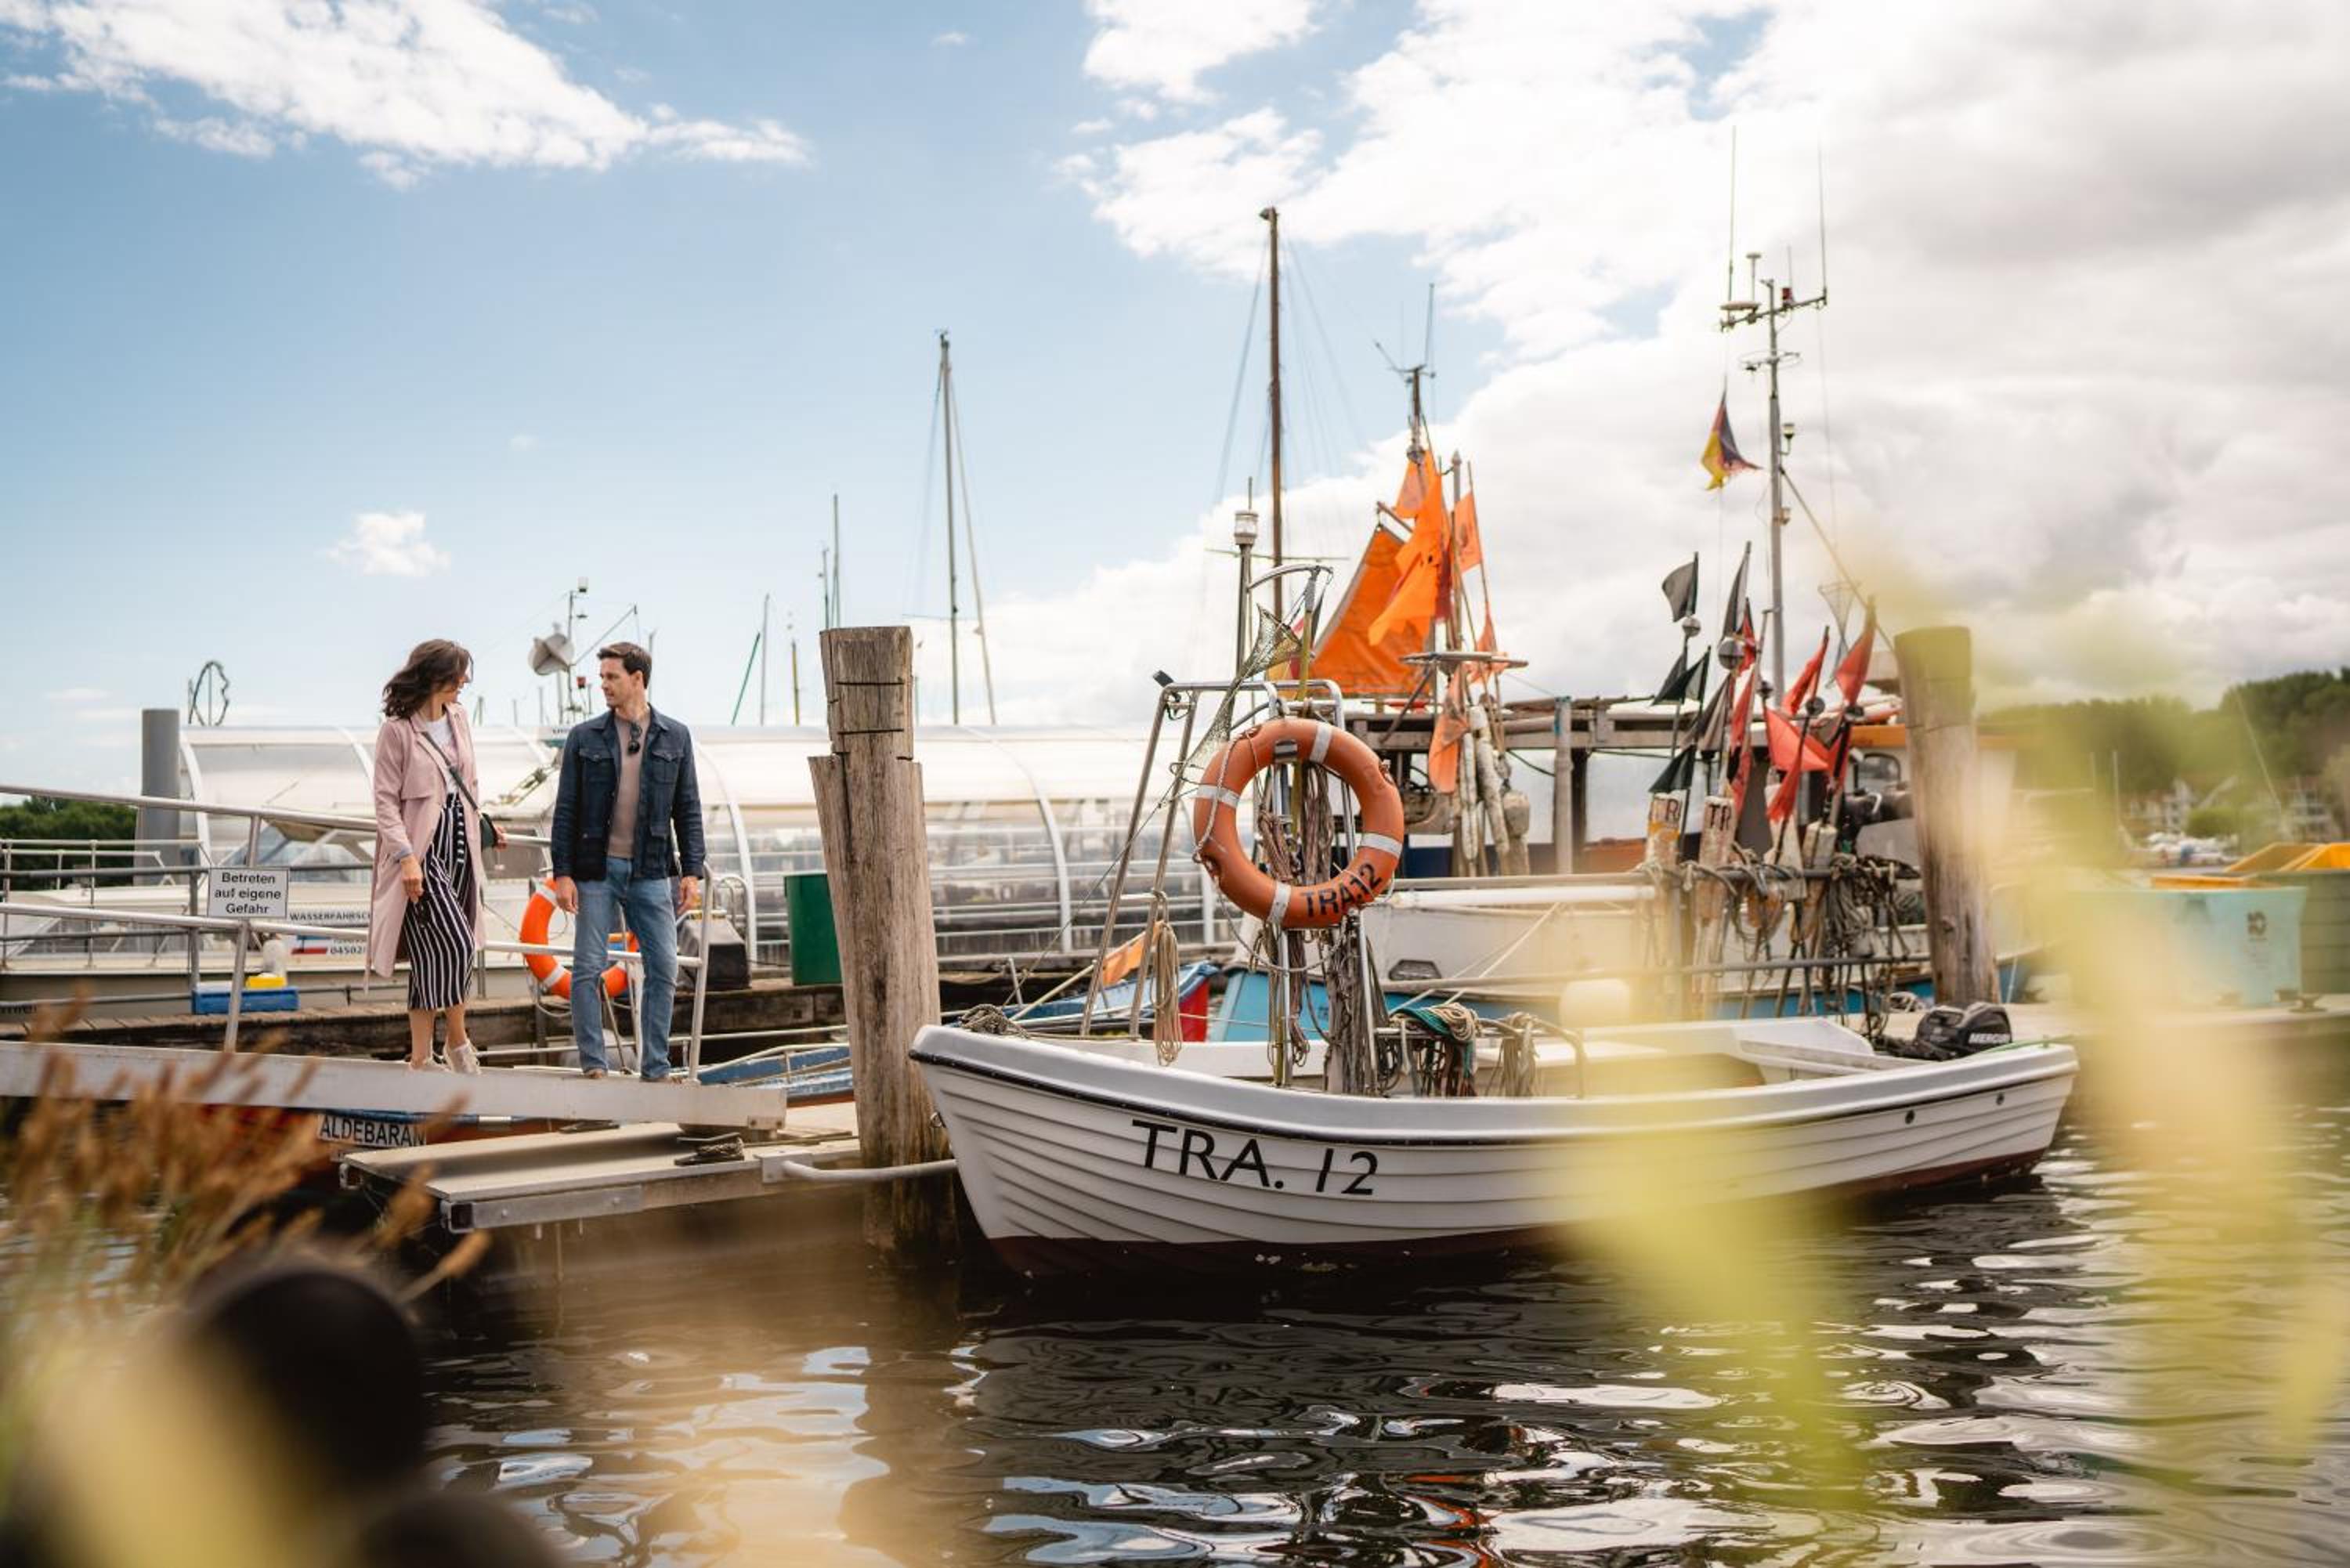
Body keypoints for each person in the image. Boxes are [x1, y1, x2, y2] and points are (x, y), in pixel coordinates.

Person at [549, 641, 704, 1079]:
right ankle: (594, 1064)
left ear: (638, 679)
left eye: (611, 677)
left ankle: (655, 1067)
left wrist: (692, 870)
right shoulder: (584, 738)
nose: (603, 685)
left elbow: (688, 807)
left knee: (664, 967)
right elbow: (566, 809)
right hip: (595, 871)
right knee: (587, 967)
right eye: (601, 677)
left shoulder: (676, 736)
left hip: (651, 870)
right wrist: (563, 873)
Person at [367, 639, 504, 1072]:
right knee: (458, 942)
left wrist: (484, 823)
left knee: (432, 952)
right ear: (433, 676)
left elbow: (468, 783)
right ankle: (458, 1041)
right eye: (456, 675)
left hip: (461, 839)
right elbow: (385, 802)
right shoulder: (397, 731)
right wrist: (406, 858)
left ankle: (421, 1057)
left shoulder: (459, 717)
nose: (464, 682)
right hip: (421, 847)